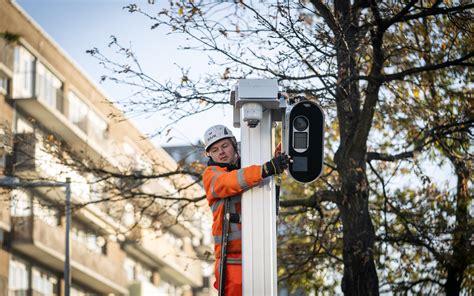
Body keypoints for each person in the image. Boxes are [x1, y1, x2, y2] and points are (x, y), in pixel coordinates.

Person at [202, 124, 289, 295]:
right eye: (214, 149)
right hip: (231, 260)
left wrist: (283, 146)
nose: (221, 152)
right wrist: (267, 168)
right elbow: (231, 181)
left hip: (260, 253)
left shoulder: (250, 165)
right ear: (210, 154)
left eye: (225, 146)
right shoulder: (211, 174)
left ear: (234, 145)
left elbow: (255, 171)